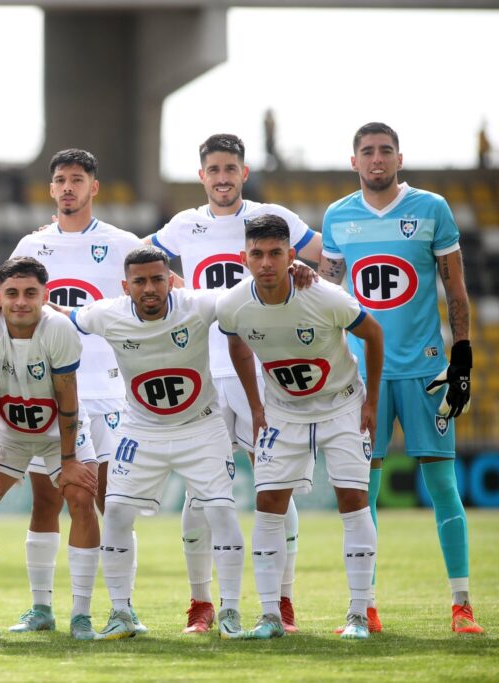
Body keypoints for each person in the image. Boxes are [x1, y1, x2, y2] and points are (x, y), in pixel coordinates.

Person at [147, 133, 322, 634]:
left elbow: (329, 256)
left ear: (243, 173)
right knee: (199, 493)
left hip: (264, 372)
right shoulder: (184, 225)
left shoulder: (272, 218)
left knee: (276, 488)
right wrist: (173, 282)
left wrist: (305, 269)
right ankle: (201, 604)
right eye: (214, 170)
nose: (222, 178)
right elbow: (133, 257)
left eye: (230, 169)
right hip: (202, 371)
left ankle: (282, 602)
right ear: (201, 175)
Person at [319, 122, 482, 634]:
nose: (377, 159)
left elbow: (456, 291)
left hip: (425, 370)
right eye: (367, 151)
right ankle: (364, 606)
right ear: (354, 161)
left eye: (385, 150)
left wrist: (462, 358)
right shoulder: (337, 216)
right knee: (361, 491)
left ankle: (461, 605)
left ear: (399, 158)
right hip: (362, 378)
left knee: (443, 485)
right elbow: (326, 298)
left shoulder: (431, 208)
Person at [0, 149, 143, 635]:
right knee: (45, 502)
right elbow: (7, 298)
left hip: (109, 393)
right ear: (51, 188)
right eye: (60, 180)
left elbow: (163, 289)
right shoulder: (33, 244)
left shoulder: (123, 243)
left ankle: (122, 607)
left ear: (94, 187)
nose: (68, 187)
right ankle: (42, 608)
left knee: (110, 504)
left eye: (77, 179)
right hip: (48, 395)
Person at [64, 246, 246, 640]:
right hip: (141, 428)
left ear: (171, 281)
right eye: (140, 281)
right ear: (125, 285)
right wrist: (1, 305)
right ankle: (121, 612)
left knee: (221, 512)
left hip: (200, 426)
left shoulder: (197, 305)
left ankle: (231, 612)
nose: (149, 288)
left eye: (157, 279)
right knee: (115, 511)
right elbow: (60, 315)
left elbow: (250, 293)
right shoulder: (107, 313)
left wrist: (296, 272)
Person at [218, 214, 384, 640]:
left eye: (276, 253)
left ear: (291, 255)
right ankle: (269, 615)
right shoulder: (233, 305)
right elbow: (236, 345)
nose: (266, 263)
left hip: (341, 405)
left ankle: (358, 614)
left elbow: (374, 334)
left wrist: (371, 402)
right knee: (268, 504)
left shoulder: (325, 297)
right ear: (243, 257)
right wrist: (256, 405)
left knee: (353, 501)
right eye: (257, 254)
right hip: (283, 411)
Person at [0, 257, 100, 642]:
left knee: (81, 496)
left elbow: (67, 394)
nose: (21, 302)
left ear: (45, 294)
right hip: (11, 431)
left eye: (29, 293)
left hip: (59, 432)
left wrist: (69, 460)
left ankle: (81, 616)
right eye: (11, 293)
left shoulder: (58, 328)